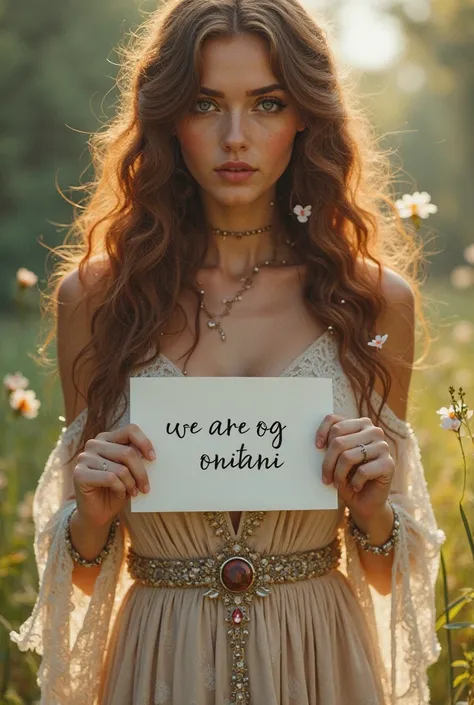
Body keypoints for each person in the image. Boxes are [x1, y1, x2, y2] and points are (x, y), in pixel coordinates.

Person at [10, 0, 446, 703]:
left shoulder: (373, 300)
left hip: (319, 660)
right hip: (160, 662)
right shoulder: (97, 299)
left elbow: (392, 575)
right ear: (168, 119)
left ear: (305, 115)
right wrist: (89, 518)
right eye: (206, 103)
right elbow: (84, 573)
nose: (235, 136)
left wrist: (372, 512)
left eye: (267, 104)